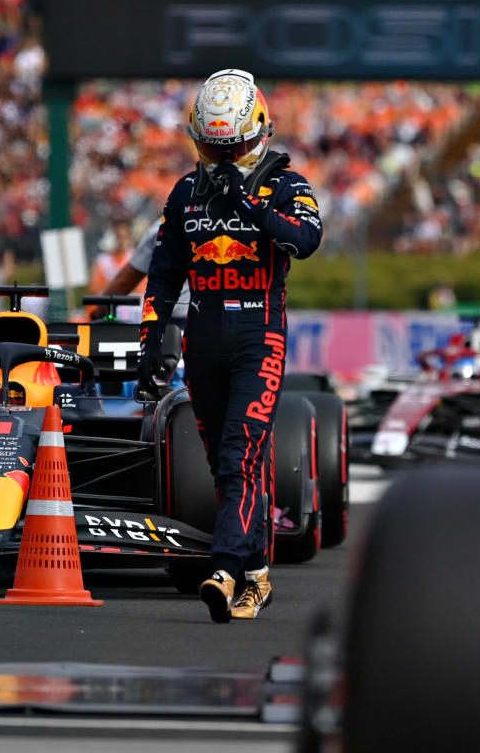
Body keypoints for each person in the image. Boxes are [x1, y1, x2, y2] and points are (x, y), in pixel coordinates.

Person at [137, 69, 322, 623]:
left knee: (241, 451)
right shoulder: (185, 192)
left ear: (259, 132)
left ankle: (222, 568)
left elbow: (306, 240)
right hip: (202, 336)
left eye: (233, 147)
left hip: (258, 335)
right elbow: (165, 274)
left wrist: (252, 205)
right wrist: (152, 340)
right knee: (228, 462)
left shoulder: (286, 185)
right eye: (213, 148)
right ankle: (258, 572)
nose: (222, 158)